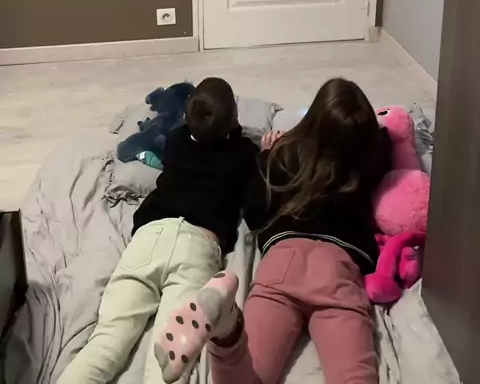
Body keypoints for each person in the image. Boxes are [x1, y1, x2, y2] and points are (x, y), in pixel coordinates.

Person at [155, 78, 392, 384]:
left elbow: (255, 213)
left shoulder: (287, 153)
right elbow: (388, 137)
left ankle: (227, 332)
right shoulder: (371, 161)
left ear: (312, 123)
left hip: (282, 260)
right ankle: (226, 329)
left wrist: (266, 156)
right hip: (337, 267)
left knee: (245, 378)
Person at [57, 77, 259, 384]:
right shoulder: (244, 153)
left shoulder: (177, 141)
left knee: (107, 342)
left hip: (149, 237)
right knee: (167, 359)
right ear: (234, 119)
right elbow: (256, 209)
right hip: (197, 245)